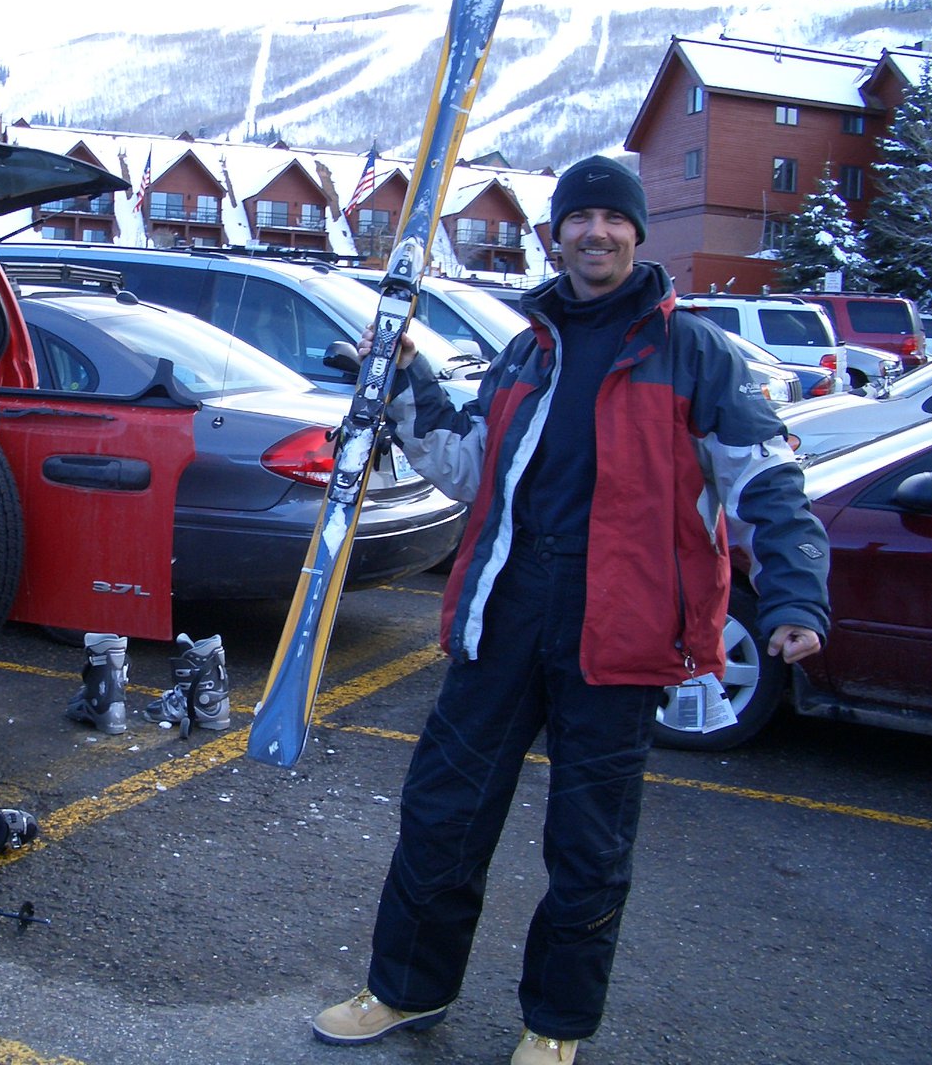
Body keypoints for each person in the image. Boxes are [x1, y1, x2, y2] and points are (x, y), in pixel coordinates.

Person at [311, 156, 830, 1064]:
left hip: (620, 637)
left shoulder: (693, 353)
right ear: (555, 235)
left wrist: (791, 592)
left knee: (587, 849)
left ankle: (555, 1028)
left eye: (611, 218)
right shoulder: (528, 347)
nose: (595, 232)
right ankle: (403, 990)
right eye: (577, 218)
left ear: (637, 233)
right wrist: (403, 387)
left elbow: (768, 481)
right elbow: (473, 467)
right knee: (442, 819)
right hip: (506, 618)